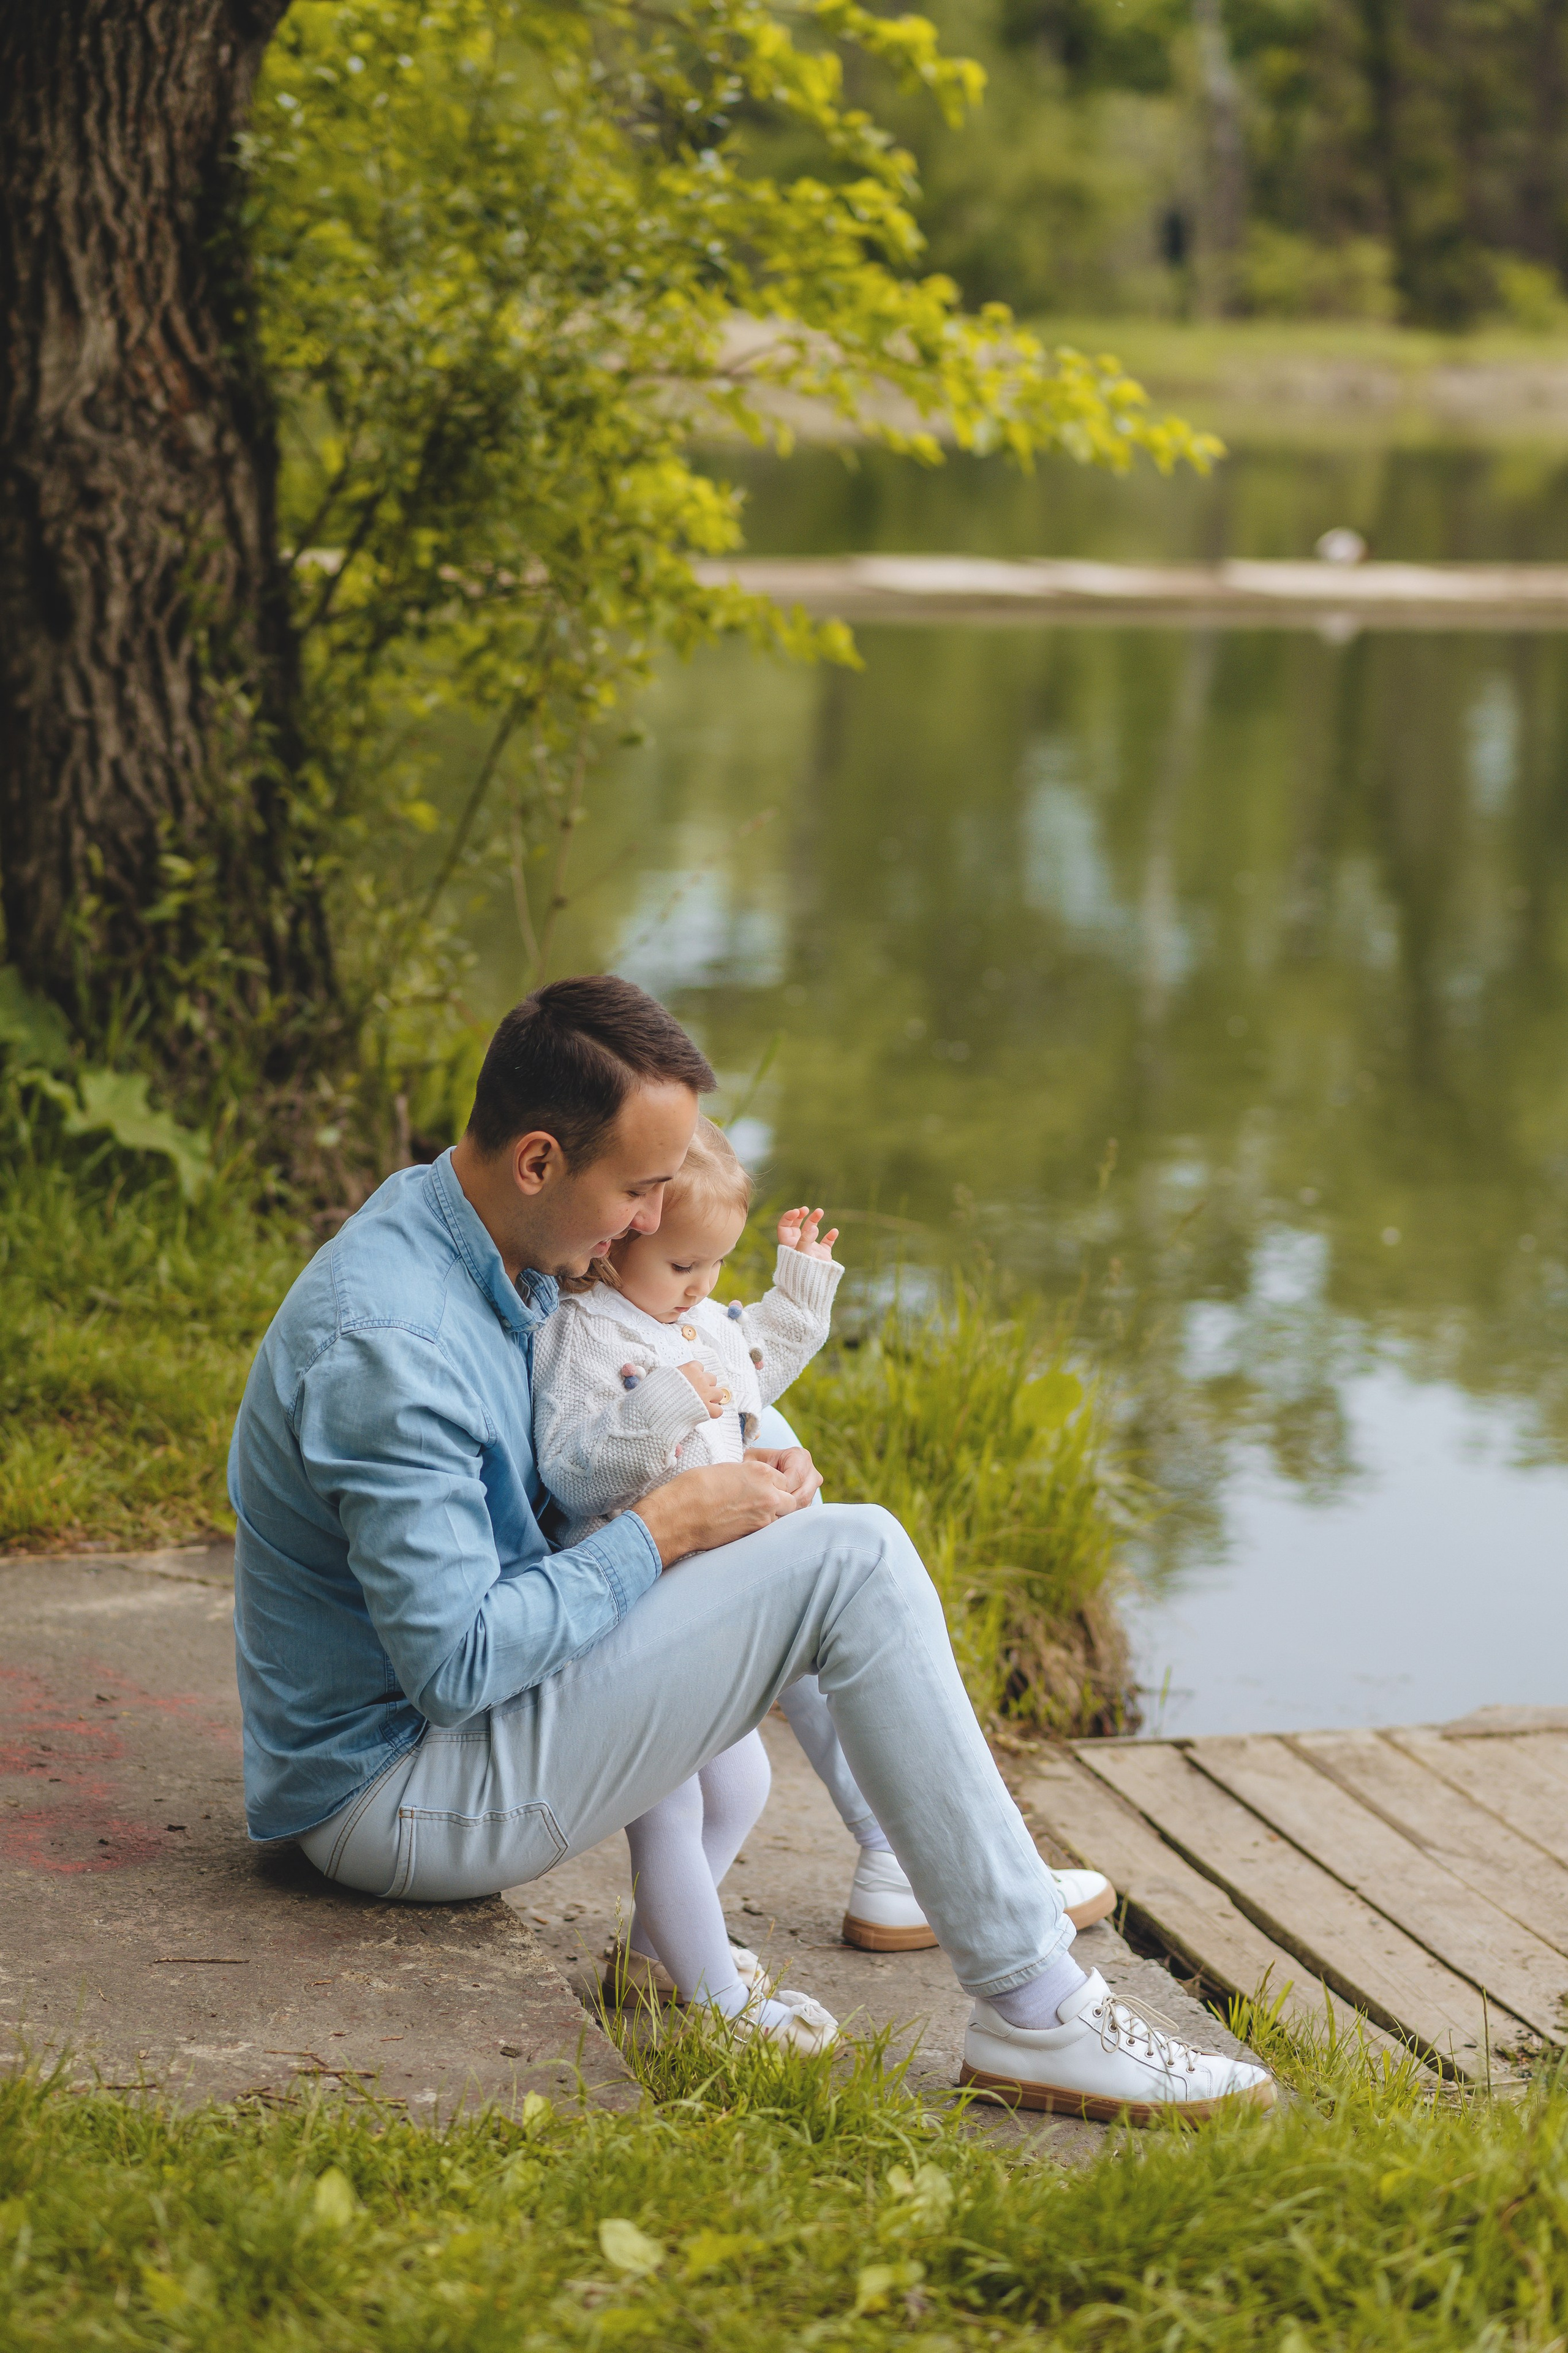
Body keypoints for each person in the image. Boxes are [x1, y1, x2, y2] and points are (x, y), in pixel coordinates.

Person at [229, 975, 1272, 2120]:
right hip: (399, 1800)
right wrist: (663, 1529)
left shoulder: (492, 1237)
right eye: (636, 1191)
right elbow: (458, 1664)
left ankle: (921, 1893)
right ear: (538, 1161)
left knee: (818, 1536)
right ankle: (1037, 2013)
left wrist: (744, 1458)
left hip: (452, 1736)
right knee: (855, 1556)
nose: (648, 1224)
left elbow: (628, 1397)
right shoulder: (396, 1345)